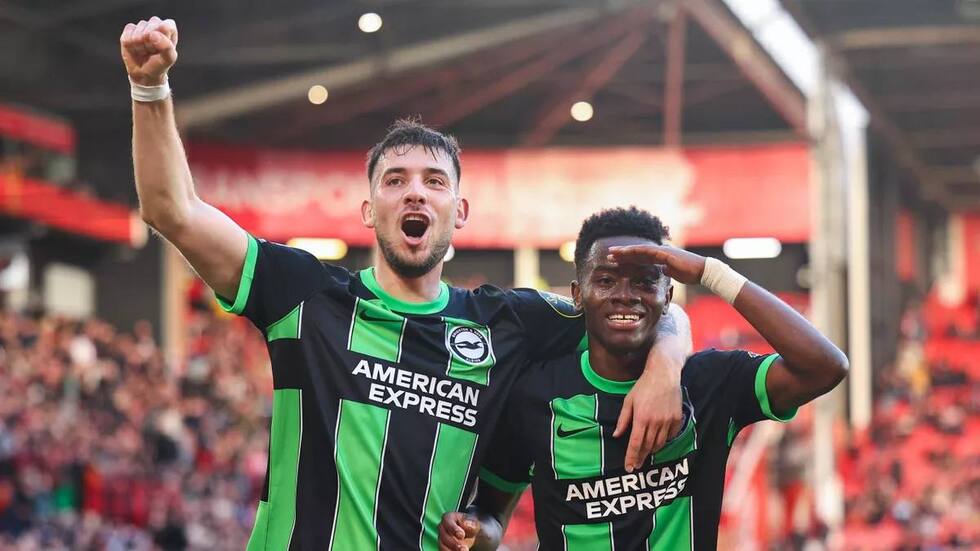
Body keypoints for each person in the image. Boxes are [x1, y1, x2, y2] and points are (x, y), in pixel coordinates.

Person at [119, 18, 693, 550]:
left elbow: (634, 305)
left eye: (434, 181)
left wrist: (667, 364)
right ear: (369, 211)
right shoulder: (304, 295)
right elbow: (174, 210)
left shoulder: (508, 323)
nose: (415, 192)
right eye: (395, 181)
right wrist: (150, 91)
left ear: (460, 211)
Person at [439, 207, 848, 551]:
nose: (625, 294)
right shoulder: (534, 397)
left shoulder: (709, 384)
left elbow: (826, 367)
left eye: (644, 281)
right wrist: (473, 532)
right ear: (578, 294)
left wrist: (711, 272)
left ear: (668, 296)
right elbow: (492, 513)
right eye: (605, 280)